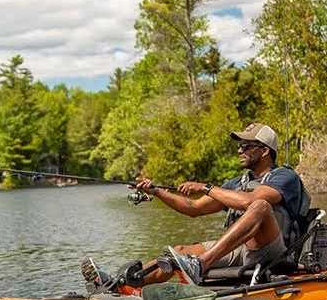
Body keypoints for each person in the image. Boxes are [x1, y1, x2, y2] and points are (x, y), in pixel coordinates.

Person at [82, 122, 307, 290]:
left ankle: (201, 264)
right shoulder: (237, 183)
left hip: (272, 250)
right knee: (178, 253)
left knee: (260, 206)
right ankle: (118, 286)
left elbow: (250, 202)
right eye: (240, 146)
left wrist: (206, 187)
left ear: (265, 151)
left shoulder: (284, 177)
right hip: (239, 249)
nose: (240, 150)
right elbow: (193, 207)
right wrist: (157, 191)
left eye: (247, 146)